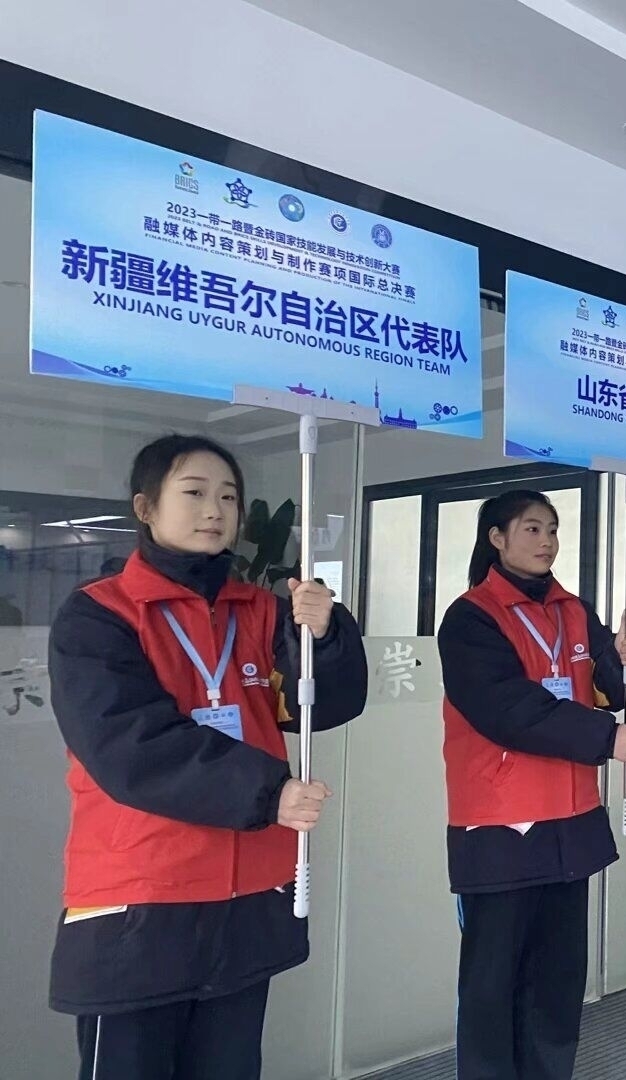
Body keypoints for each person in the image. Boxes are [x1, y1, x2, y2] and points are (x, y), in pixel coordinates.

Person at [47, 434, 368, 1080]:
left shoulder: (263, 610)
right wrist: (268, 792)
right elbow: (129, 745)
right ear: (146, 507)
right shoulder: (99, 615)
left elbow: (320, 706)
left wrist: (326, 635)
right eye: (194, 493)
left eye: (228, 497)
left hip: (246, 897)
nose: (214, 510)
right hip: (143, 900)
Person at [438, 489, 626, 1080]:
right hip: (501, 825)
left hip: (571, 820)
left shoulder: (573, 609)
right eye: (532, 529)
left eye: (553, 530)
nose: (547, 541)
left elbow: (612, 684)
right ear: (497, 538)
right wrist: (604, 737)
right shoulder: (471, 616)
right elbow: (507, 708)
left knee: (557, 985)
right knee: (492, 985)